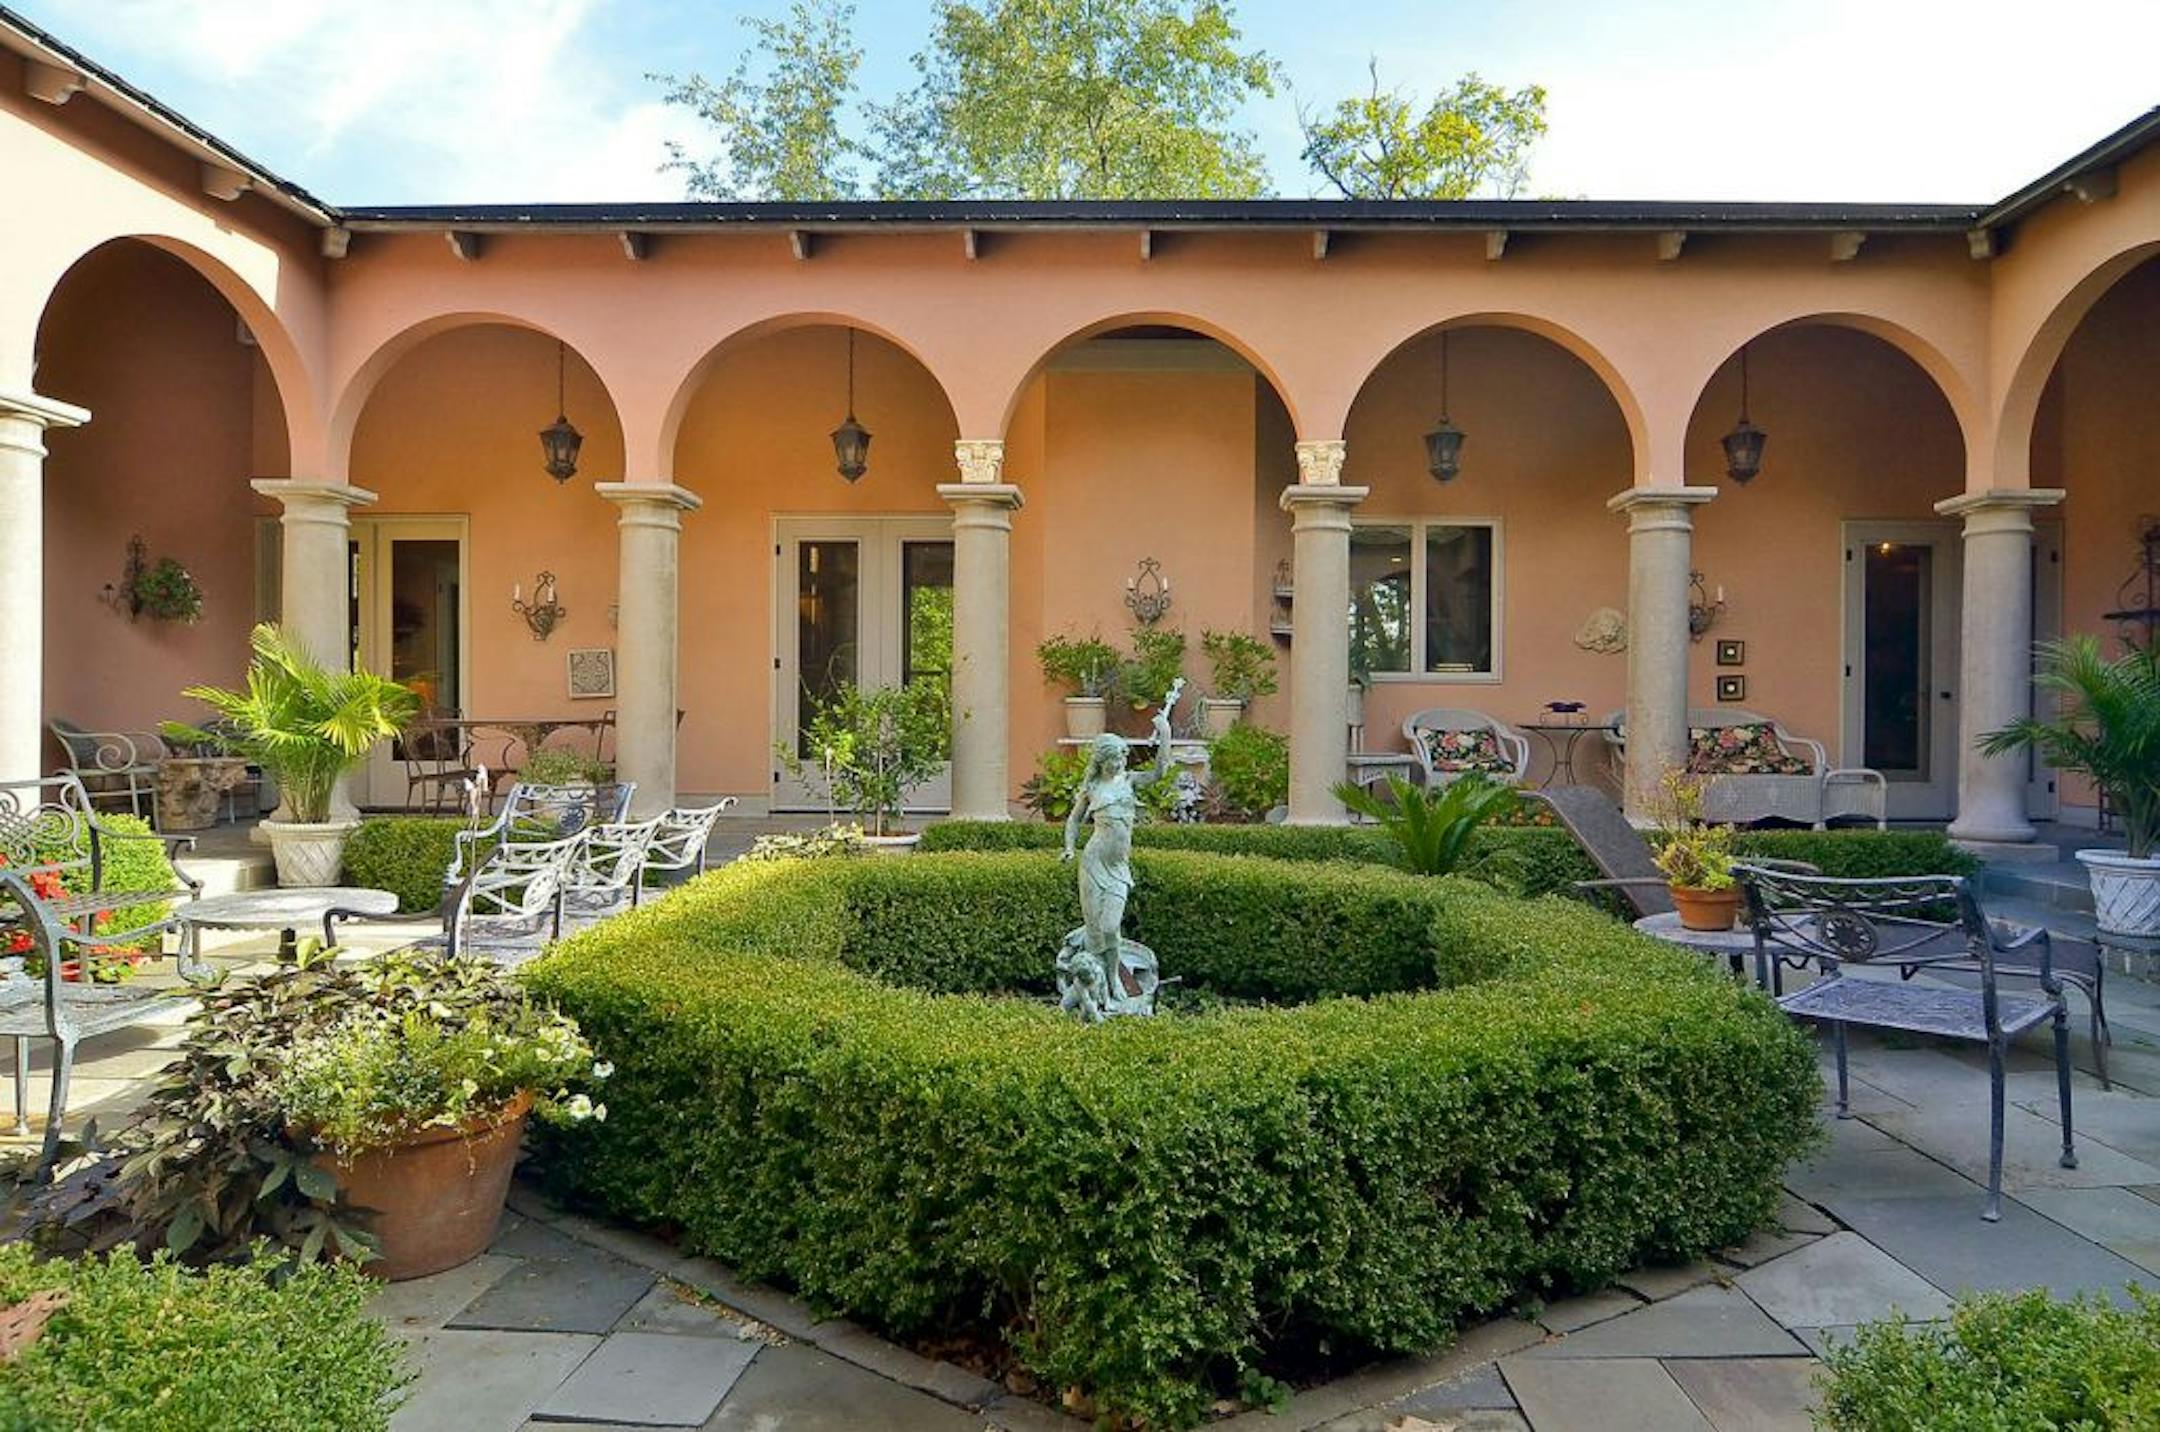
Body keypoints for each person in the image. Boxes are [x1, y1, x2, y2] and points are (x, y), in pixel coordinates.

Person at [1062, 679, 1182, 990]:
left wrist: (1165, 733)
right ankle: (1095, 983)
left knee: (1111, 927)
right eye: (1114, 759)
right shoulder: (1092, 788)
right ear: (1101, 761)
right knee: (1094, 929)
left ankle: (1114, 976)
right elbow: (1074, 821)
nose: (1119, 763)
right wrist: (1069, 848)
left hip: (1117, 868)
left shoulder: (1129, 781)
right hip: (1092, 862)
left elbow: (1158, 773)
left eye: (1122, 758)